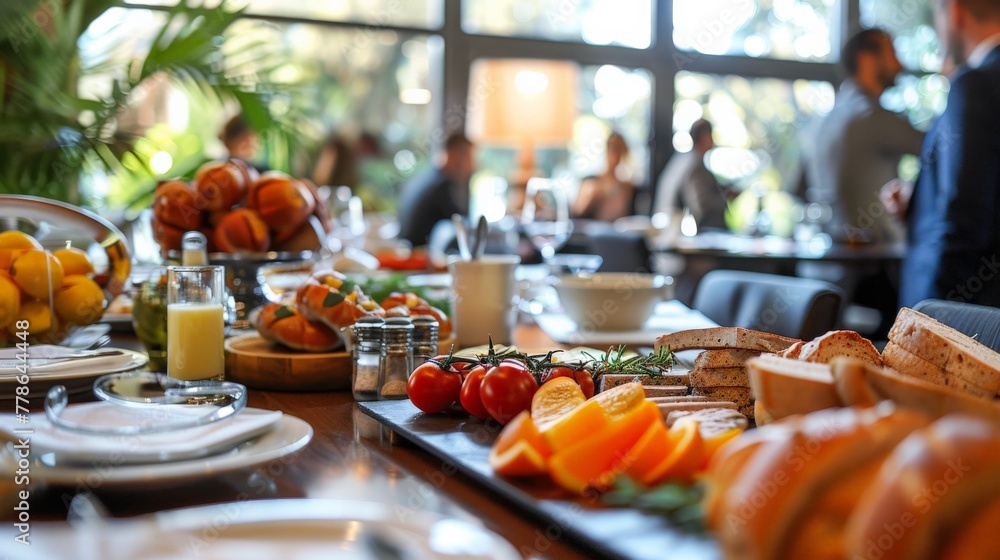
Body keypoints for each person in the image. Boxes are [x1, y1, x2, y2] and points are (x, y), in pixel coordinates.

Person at [898, 0, 1000, 307]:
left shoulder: (976, 84)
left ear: (953, 11)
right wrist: (919, 201)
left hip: (967, 315)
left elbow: (963, 212)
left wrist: (931, 317)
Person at [800, 28, 924, 243]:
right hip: (870, 265)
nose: (901, 65)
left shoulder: (819, 122)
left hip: (827, 261)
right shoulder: (873, 117)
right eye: (892, 52)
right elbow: (942, 148)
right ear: (866, 59)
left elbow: (799, 189)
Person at [397, 133, 475, 247]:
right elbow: (460, 223)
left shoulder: (424, 177)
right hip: (420, 256)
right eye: (469, 157)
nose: (472, 165)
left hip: (406, 248)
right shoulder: (441, 186)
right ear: (455, 155)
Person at [653, 119, 728, 229]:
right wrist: (723, 199)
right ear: (704, 137)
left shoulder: (681, 160)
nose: (713, 141)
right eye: (711, 136)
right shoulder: (695, 166)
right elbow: (700, 206)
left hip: (664, 225)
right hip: (676, 231)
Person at [572, 132, 635, 221]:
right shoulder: (590, 181)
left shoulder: (628, 188)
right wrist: (593, 198)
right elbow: (576, 214)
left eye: (619, 149)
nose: (615, 155)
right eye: (612, 149)